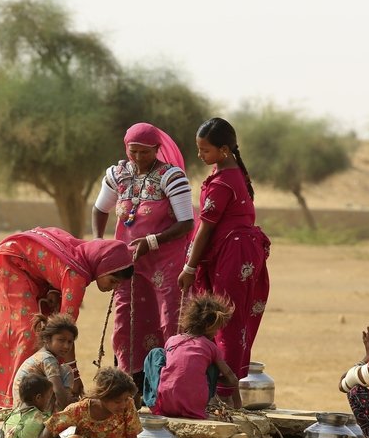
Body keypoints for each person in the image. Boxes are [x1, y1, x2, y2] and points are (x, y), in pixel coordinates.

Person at [0, 227, 134, 407]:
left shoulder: (80, 257)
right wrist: (75, 376)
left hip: (29, 271)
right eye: (113, 281)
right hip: (10, 263)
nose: (114, 288)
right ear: (102, 266)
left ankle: (40, 396)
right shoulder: (76, 276)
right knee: (30, 334)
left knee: (45, 330)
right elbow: (64, 330)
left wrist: (52, 288)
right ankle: (19, 402)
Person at [91, 123, 194, 386]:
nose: (137, 158)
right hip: (128, 262)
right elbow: (100, 208)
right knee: (126, 316)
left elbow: (186, 223)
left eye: (144, 152)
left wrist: (152, 241)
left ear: (157, 149)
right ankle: (129, 380)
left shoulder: (172, 177)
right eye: (132, 151)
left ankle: (171, 382)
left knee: (169, 318)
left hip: (165, 262)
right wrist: (98, 242)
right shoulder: (118, 174)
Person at [178, 117, 270, 406]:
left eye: (205, 150)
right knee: (228, 320)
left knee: (223, 322)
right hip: (237, 253)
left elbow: (206, 227)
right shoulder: (230, 173)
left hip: (232, 256)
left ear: (225, 150)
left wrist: (190, 267)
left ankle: (225, 396)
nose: (200, 155)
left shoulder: (224, 182)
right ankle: (220, 392)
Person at [147, 293, 241, 419]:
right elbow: (232, 379)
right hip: (195, 406)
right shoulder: (210, 346)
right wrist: (237, 402)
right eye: (216, 329)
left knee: (155, 354)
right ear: (208, 327)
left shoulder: (172, 340)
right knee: (213, 364)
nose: (216, 333)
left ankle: (153, 403)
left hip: (166, 405)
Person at [10, 313, 83, 412]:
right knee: (66, 370)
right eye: (61, 340)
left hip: (20, 410)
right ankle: (62, 413)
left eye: (70, 342)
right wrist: (71, 407)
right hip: (30, 412)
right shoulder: (48, 359)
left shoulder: (41, 355)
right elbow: (58, 392)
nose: (66, 346)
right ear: (47, 339)